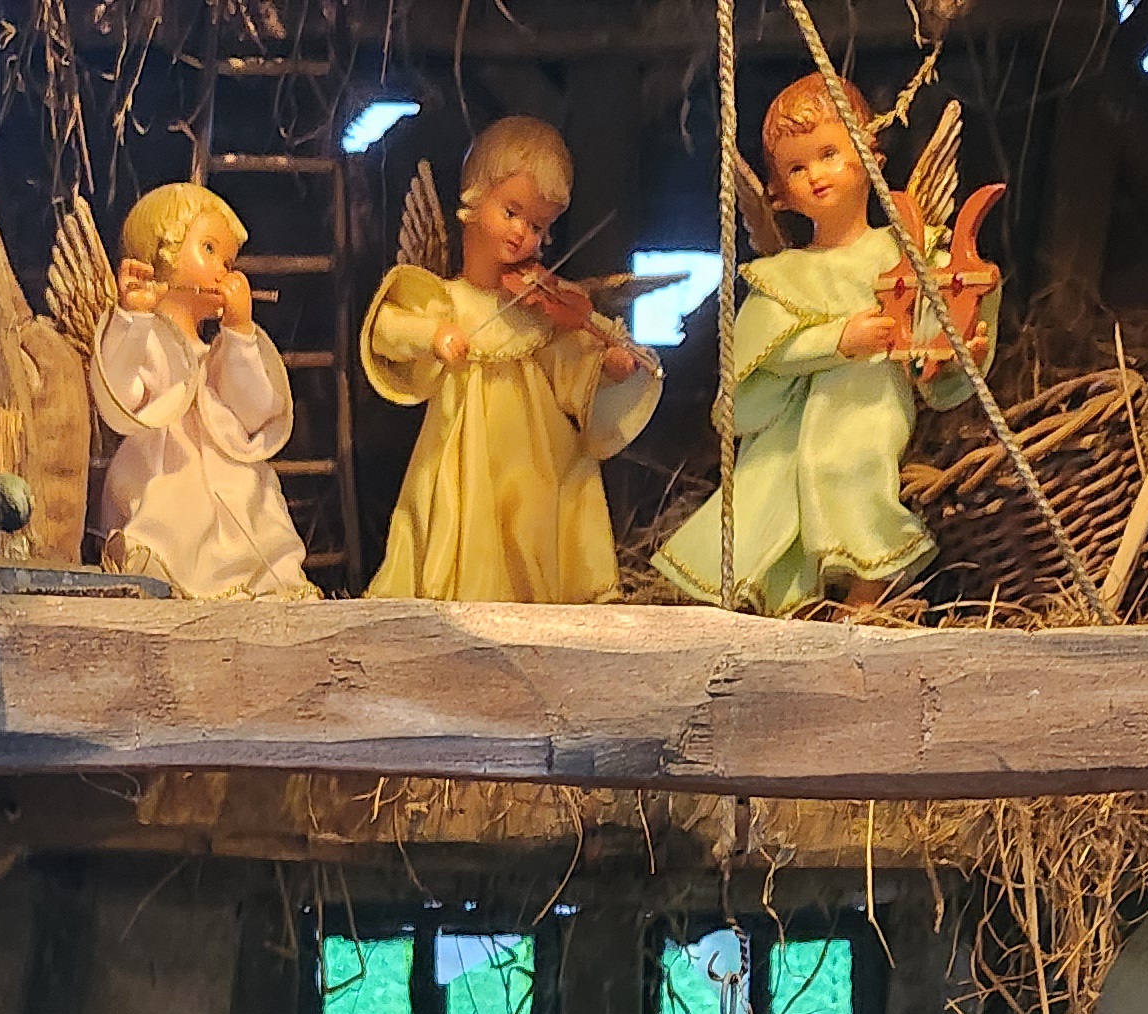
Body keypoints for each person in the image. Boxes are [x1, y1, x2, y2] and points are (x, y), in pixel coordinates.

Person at [653, 76, 995, 616]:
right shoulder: (783, 274)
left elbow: (933, 321)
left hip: (870, 400)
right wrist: (839, 339)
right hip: (797, 416)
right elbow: (767, 352)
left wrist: (956, 354)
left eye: (829, 154)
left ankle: (871, 584)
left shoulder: (902, 247)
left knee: (846, 461)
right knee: (768, 482)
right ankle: (792, 595)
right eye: (796, 168)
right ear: (778, 193)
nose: (815, 175)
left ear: (871, 158)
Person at [360, 115, 661, 603]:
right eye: (512, 212)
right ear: (475, 198)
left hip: (535, 461)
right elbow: (388, 329)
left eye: (538, 225)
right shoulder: (445, 298)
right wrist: (435, 335)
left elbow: (569, 363)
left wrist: (604, 369)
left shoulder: (537, 309)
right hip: (465, 454)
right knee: (462, 521)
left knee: (544, 511)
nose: (523, 234)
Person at [91, 180, 318, 600]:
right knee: (171, 523)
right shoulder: (145, 340)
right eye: (209, 250)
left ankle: (260, 581)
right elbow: (120, 397)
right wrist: (133, 320)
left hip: (232, 480)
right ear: (164, 250)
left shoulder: (221, 353)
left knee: (253, 505)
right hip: (164, 475)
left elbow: (255, 412)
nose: (223, 271)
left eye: (229, 261)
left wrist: (240, 333)